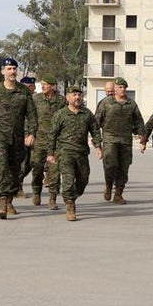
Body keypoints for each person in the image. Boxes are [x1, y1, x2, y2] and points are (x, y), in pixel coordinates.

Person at [0, 57, 36, 219]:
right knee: (3, 168)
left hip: (18, 140)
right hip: (0, 139)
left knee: (16, 171)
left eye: (14, 69)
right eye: (9, 69)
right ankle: (2, 202)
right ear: (2, 71)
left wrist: (31, 133)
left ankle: (10, 199)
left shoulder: (23, 91)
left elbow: (31, 114)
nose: (12, 71)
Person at [46, 85, 103, 221]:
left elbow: (95, 131)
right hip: (65, 153)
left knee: (83, 179)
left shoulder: (87, 114)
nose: (77, 97)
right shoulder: (60, 114)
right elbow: (52, 135)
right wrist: (50, 153)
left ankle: (72, 196)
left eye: (79, 95)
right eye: (74, 95)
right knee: (68, 180)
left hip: (82, 152)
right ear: (67, 97)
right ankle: (70, 205)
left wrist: (98, 147)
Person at [94, 76, 146, 204]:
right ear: (115, 89)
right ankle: (108, 185)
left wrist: (142, 136)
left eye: (124, 88)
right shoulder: (106, 103)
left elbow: (139, 121)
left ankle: (118, 194)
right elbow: (96, 122)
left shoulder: (131, 104)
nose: (123, 90)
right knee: (110, 165)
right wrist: (97, 143)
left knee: (124, 167)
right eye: (120, 87)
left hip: (125, 140)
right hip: (110, 139)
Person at [29, 75, 66, 208]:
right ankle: (37, 192)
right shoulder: (36, 99)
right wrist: (29, 134)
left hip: (56, 142)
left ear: (52, 86)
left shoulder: (61, 101)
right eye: (42, 84)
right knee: (37, 168)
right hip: (39, 140)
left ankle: (52, 198)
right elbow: (31, 118)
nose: (43, 86)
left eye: (46, 84)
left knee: (54, 170)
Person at [16, 75, 38, 195]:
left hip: (33, 135)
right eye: (30, 86)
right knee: (23, 163)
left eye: (33, 86)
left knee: (31, 163)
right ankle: (17, 186)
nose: (32, 88)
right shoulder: (19, 98)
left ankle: (16, 183)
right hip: (20, 135)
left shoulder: (35, 99)